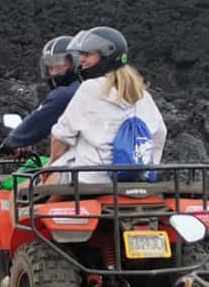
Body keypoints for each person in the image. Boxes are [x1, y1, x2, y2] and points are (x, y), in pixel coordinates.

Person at [49, 26, 166, 184]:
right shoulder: (143, 95)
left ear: (105, 57)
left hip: (89, 178)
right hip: (136, 181)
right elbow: (160, 134)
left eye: (87, 54)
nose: (81, 60)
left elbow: (60, 137)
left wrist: (50, 167)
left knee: (24, 189)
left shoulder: (90, 89)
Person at [0, 35, 81, 154]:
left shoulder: (65, 94)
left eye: (59, 65)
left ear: (76, 63)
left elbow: (38, 121)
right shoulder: (91, 85)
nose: (52, 72)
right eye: (50, 67)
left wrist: (10, 143)